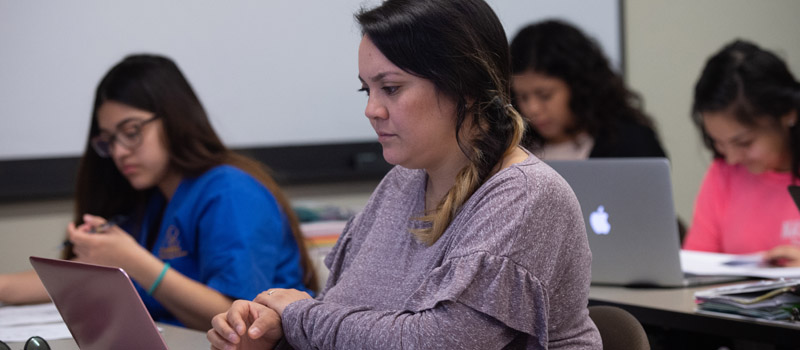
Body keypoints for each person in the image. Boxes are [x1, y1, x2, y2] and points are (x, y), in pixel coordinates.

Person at [207, 0, 601, 349]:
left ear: (464, 88)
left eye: (391, 89)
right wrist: (274, 334)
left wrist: (298, 317)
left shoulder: (527, 195)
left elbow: (439, 341)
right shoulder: (403, 180)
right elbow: (340, 320)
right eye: (367, 91)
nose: (372, 110)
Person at [0, 54, 317, 330]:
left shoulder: (230, 191)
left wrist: (133, 260)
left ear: (175, 119)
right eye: (109, 140)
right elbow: (80, 279)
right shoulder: (151, 199)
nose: (119, 152)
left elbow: (239, 317)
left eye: (131, 132)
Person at [683, 40, 800, 266]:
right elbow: (697, 265)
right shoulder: (724, 173)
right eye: (719, 143)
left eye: (744, 143)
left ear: (788, 114)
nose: (732, 158)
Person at [509, 19, 667, 160]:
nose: (533, 109)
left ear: (579, 87)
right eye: (522, 97)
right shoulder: (512, 150)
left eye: (545, 96)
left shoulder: (632, 144)